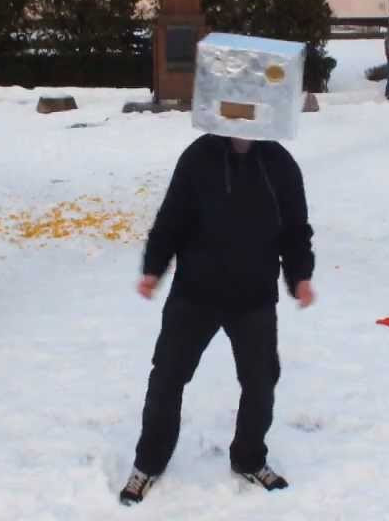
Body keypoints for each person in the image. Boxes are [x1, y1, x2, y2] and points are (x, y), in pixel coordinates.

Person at [120, 134, 316, 505]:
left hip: (254, 297)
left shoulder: (279, 164)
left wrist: (300, 276)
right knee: (166, 377)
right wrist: (153, 269)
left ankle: (248, 458)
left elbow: (295, 230)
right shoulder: (199, 156)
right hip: (195, 292)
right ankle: (148, 463)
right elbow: (171, 218)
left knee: (260, 383)